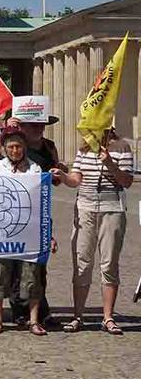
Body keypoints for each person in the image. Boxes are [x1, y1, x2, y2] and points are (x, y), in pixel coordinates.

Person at [0, 109, 61, 326]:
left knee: (33, 274)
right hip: (3, 229)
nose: (15, 150)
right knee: (1, 274)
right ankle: (4, 317)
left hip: (29, 228)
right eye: (11, 147)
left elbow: (41, 202)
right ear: (6, 149)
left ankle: (36, 318)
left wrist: (49, 233)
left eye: (18, 147)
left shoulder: (36, 165)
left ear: (23, 148)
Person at [52, 129, 134, 334]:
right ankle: (77, 316)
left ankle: (108, 317)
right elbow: (76, 180)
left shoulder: (122, 147)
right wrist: (63, 175)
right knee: (82, 262)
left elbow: (127, 181)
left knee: (109, 263)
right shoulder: (84, 147)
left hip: (112, 209)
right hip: (85, 209)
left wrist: (110, 164)